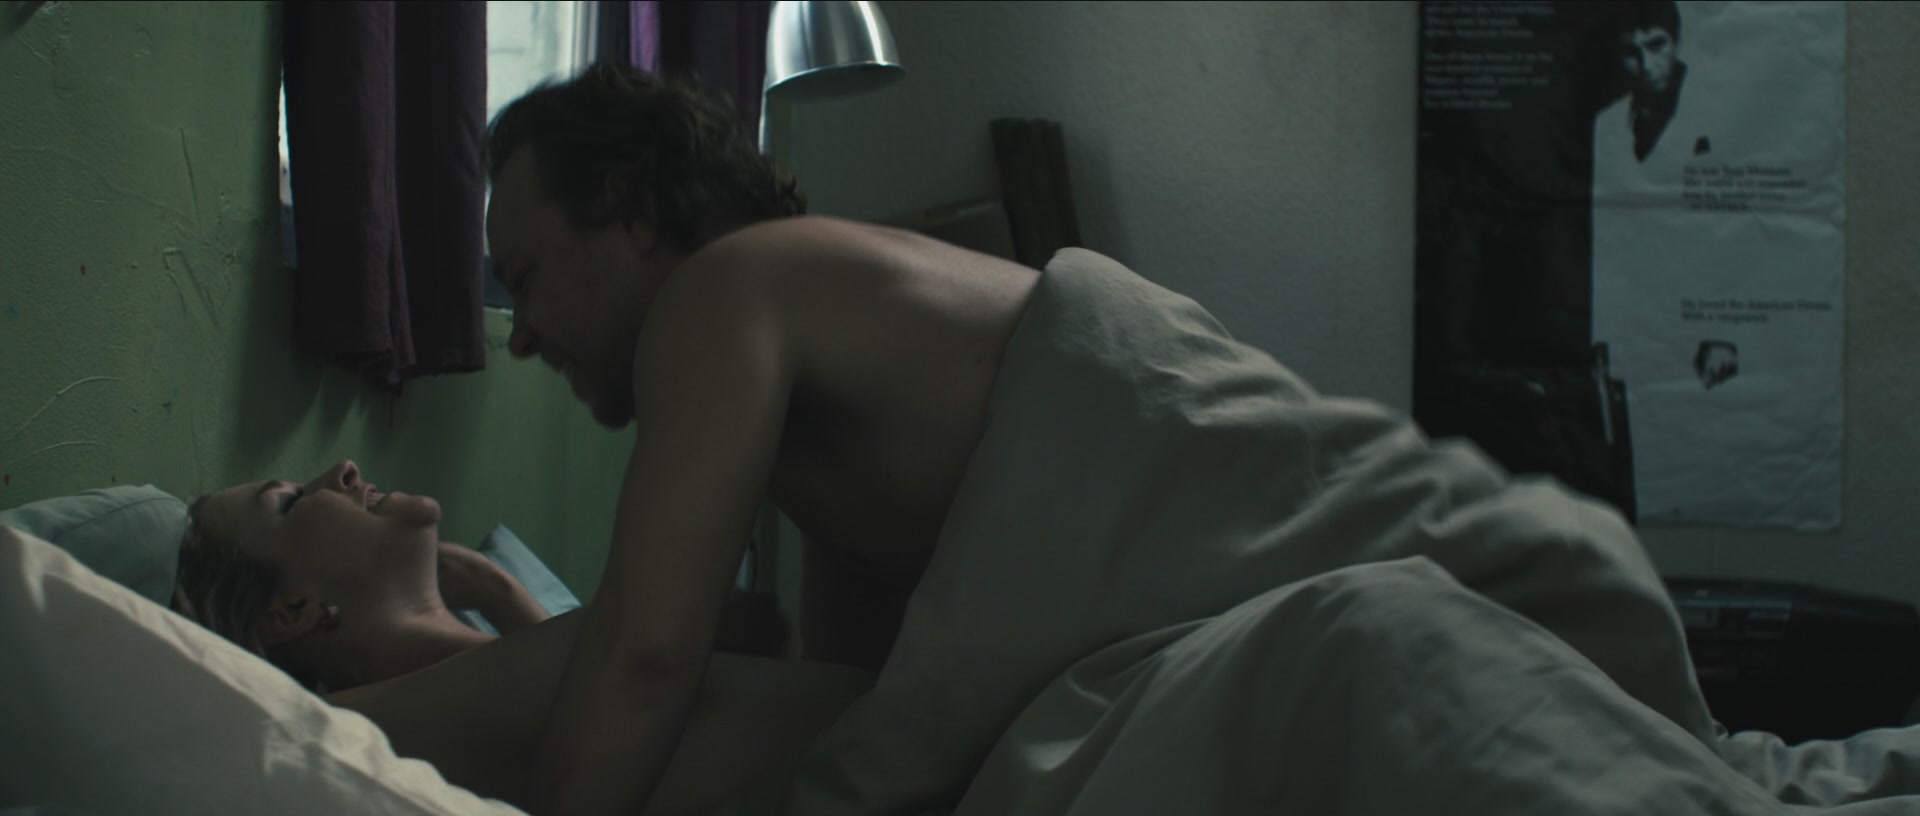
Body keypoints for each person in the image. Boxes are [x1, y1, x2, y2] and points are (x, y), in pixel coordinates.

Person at [172, 458, 871, 814]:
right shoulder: (350, 727)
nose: (343, 472)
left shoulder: (483, 674)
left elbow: (561, 697)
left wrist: (500, 592)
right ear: (288, 611)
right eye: (292, 501)